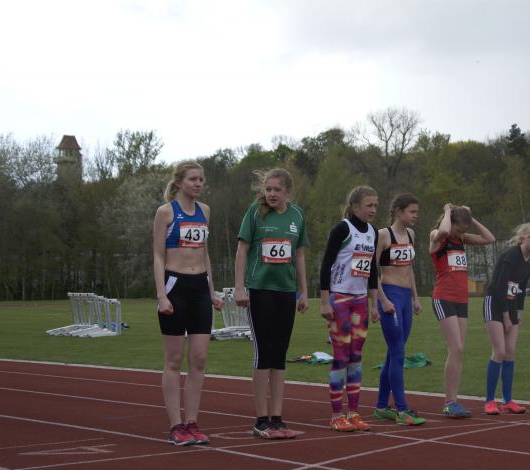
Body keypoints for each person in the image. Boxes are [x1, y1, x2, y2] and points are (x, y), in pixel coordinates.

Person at [234, 168, 309, 439]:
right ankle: (261, 419)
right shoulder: (255, 213)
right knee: (263, 353)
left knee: (280, 353)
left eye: (277, 189)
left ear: (288, 191)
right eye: (268, 189)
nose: (272, 194)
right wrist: (239, 287)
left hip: (286, 292)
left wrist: (303, 291)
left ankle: (277, 418)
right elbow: (242, 250)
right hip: (260, 290)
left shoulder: (297, 215)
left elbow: (299, 255)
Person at [152, 161, 223, 446]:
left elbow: (204, 254)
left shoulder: (205, 211)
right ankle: (175, 425)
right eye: (193, 179)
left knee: (199, 359)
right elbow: (158, 255)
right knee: (173, 360)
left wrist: (212, 291)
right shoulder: (166, 212)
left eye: (201, 179)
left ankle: (192, 422)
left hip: (200, 288)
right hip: (175, 286)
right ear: (179, 182)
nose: (198, 183)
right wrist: (161, 295)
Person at [319, 186, 382, 432]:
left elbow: (372, 270)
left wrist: (374, 303)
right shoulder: (342, 229)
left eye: (375, 205)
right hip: (340, 298)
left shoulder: (373, 232)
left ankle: (353, 412)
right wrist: (325, 301)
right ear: (355, 207)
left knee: (356, 357)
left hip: (360, 300)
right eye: (369, 205)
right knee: (341, 356)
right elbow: (326, 264)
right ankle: (336, 415)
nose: (373, 210)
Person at [430, 203, 495, 418]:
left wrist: (470, 218)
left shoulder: (461, 239)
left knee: (458, 350)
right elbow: (445, 231)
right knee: (456, 347)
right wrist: (447, 211)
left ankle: (454, 400)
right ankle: (449, 402)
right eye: (459, 229)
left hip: (461, 300)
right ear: (451, 222)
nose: (461, 234)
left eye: (464, 230)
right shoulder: (437, 236)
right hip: (443, 298)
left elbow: (489, 239)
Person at [373, 193, 426, 426]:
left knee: (393, 353)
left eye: (416, 211)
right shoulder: (383, 235)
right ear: (398, 211)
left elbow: (409, 269)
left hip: (405, 298)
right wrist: (383, 300)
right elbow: (371, 270)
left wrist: (415, 298)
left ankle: (381, 406)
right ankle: (402, 409)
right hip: (390, 295)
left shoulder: (411, 234)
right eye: (412, 211)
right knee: (398, 352)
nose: (416, 215)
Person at [483, 223, 530, 415]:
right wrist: (506, 316)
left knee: (510, 352)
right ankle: (489, 401)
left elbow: (521, 288)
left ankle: (507, 400)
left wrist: (519, 311)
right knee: (499, 351)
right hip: (494, 303)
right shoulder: (511, 255)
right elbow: (499, 286)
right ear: (522, 238)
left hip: (511, 305)